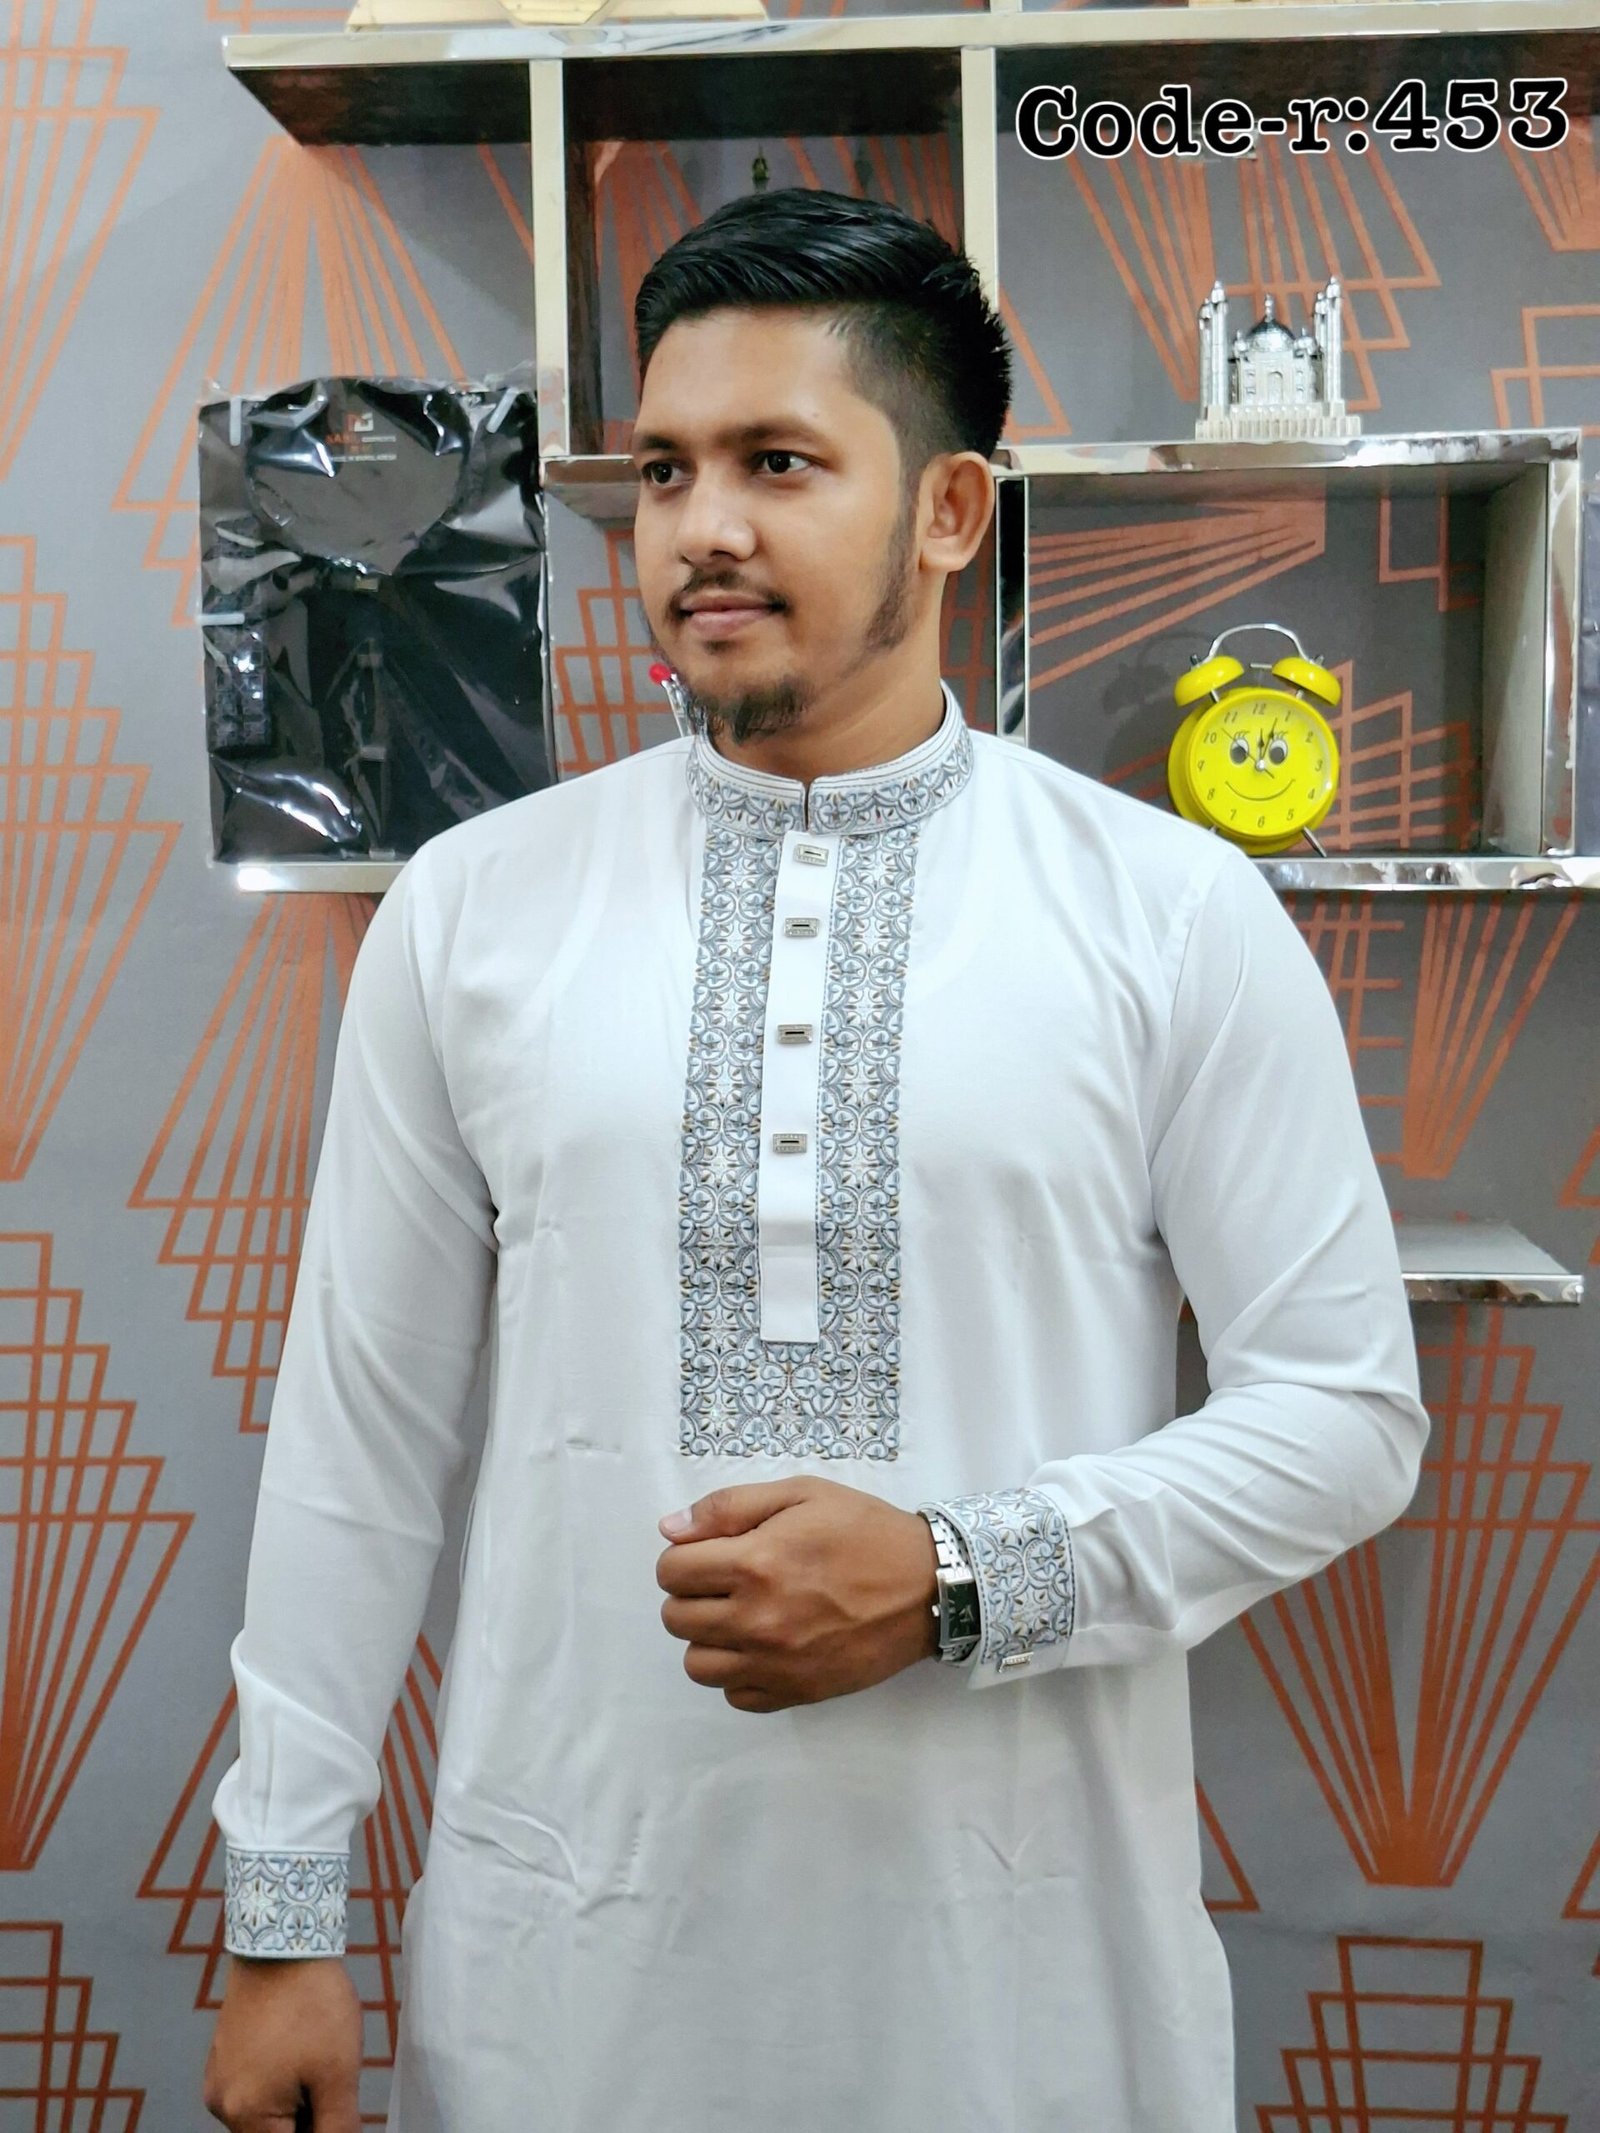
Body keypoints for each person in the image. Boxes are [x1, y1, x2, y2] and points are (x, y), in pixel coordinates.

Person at [202, 189, 1429, 2133]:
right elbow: (362, 1430)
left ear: (947, 510)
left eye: (777, 462)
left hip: (1018, 1984)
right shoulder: (476, 910)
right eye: (666, 469)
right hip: (571, 1968)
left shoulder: (1167, 912)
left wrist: (954, 1571)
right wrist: (282, 1908)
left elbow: (1345, 1416)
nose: (699, 527)